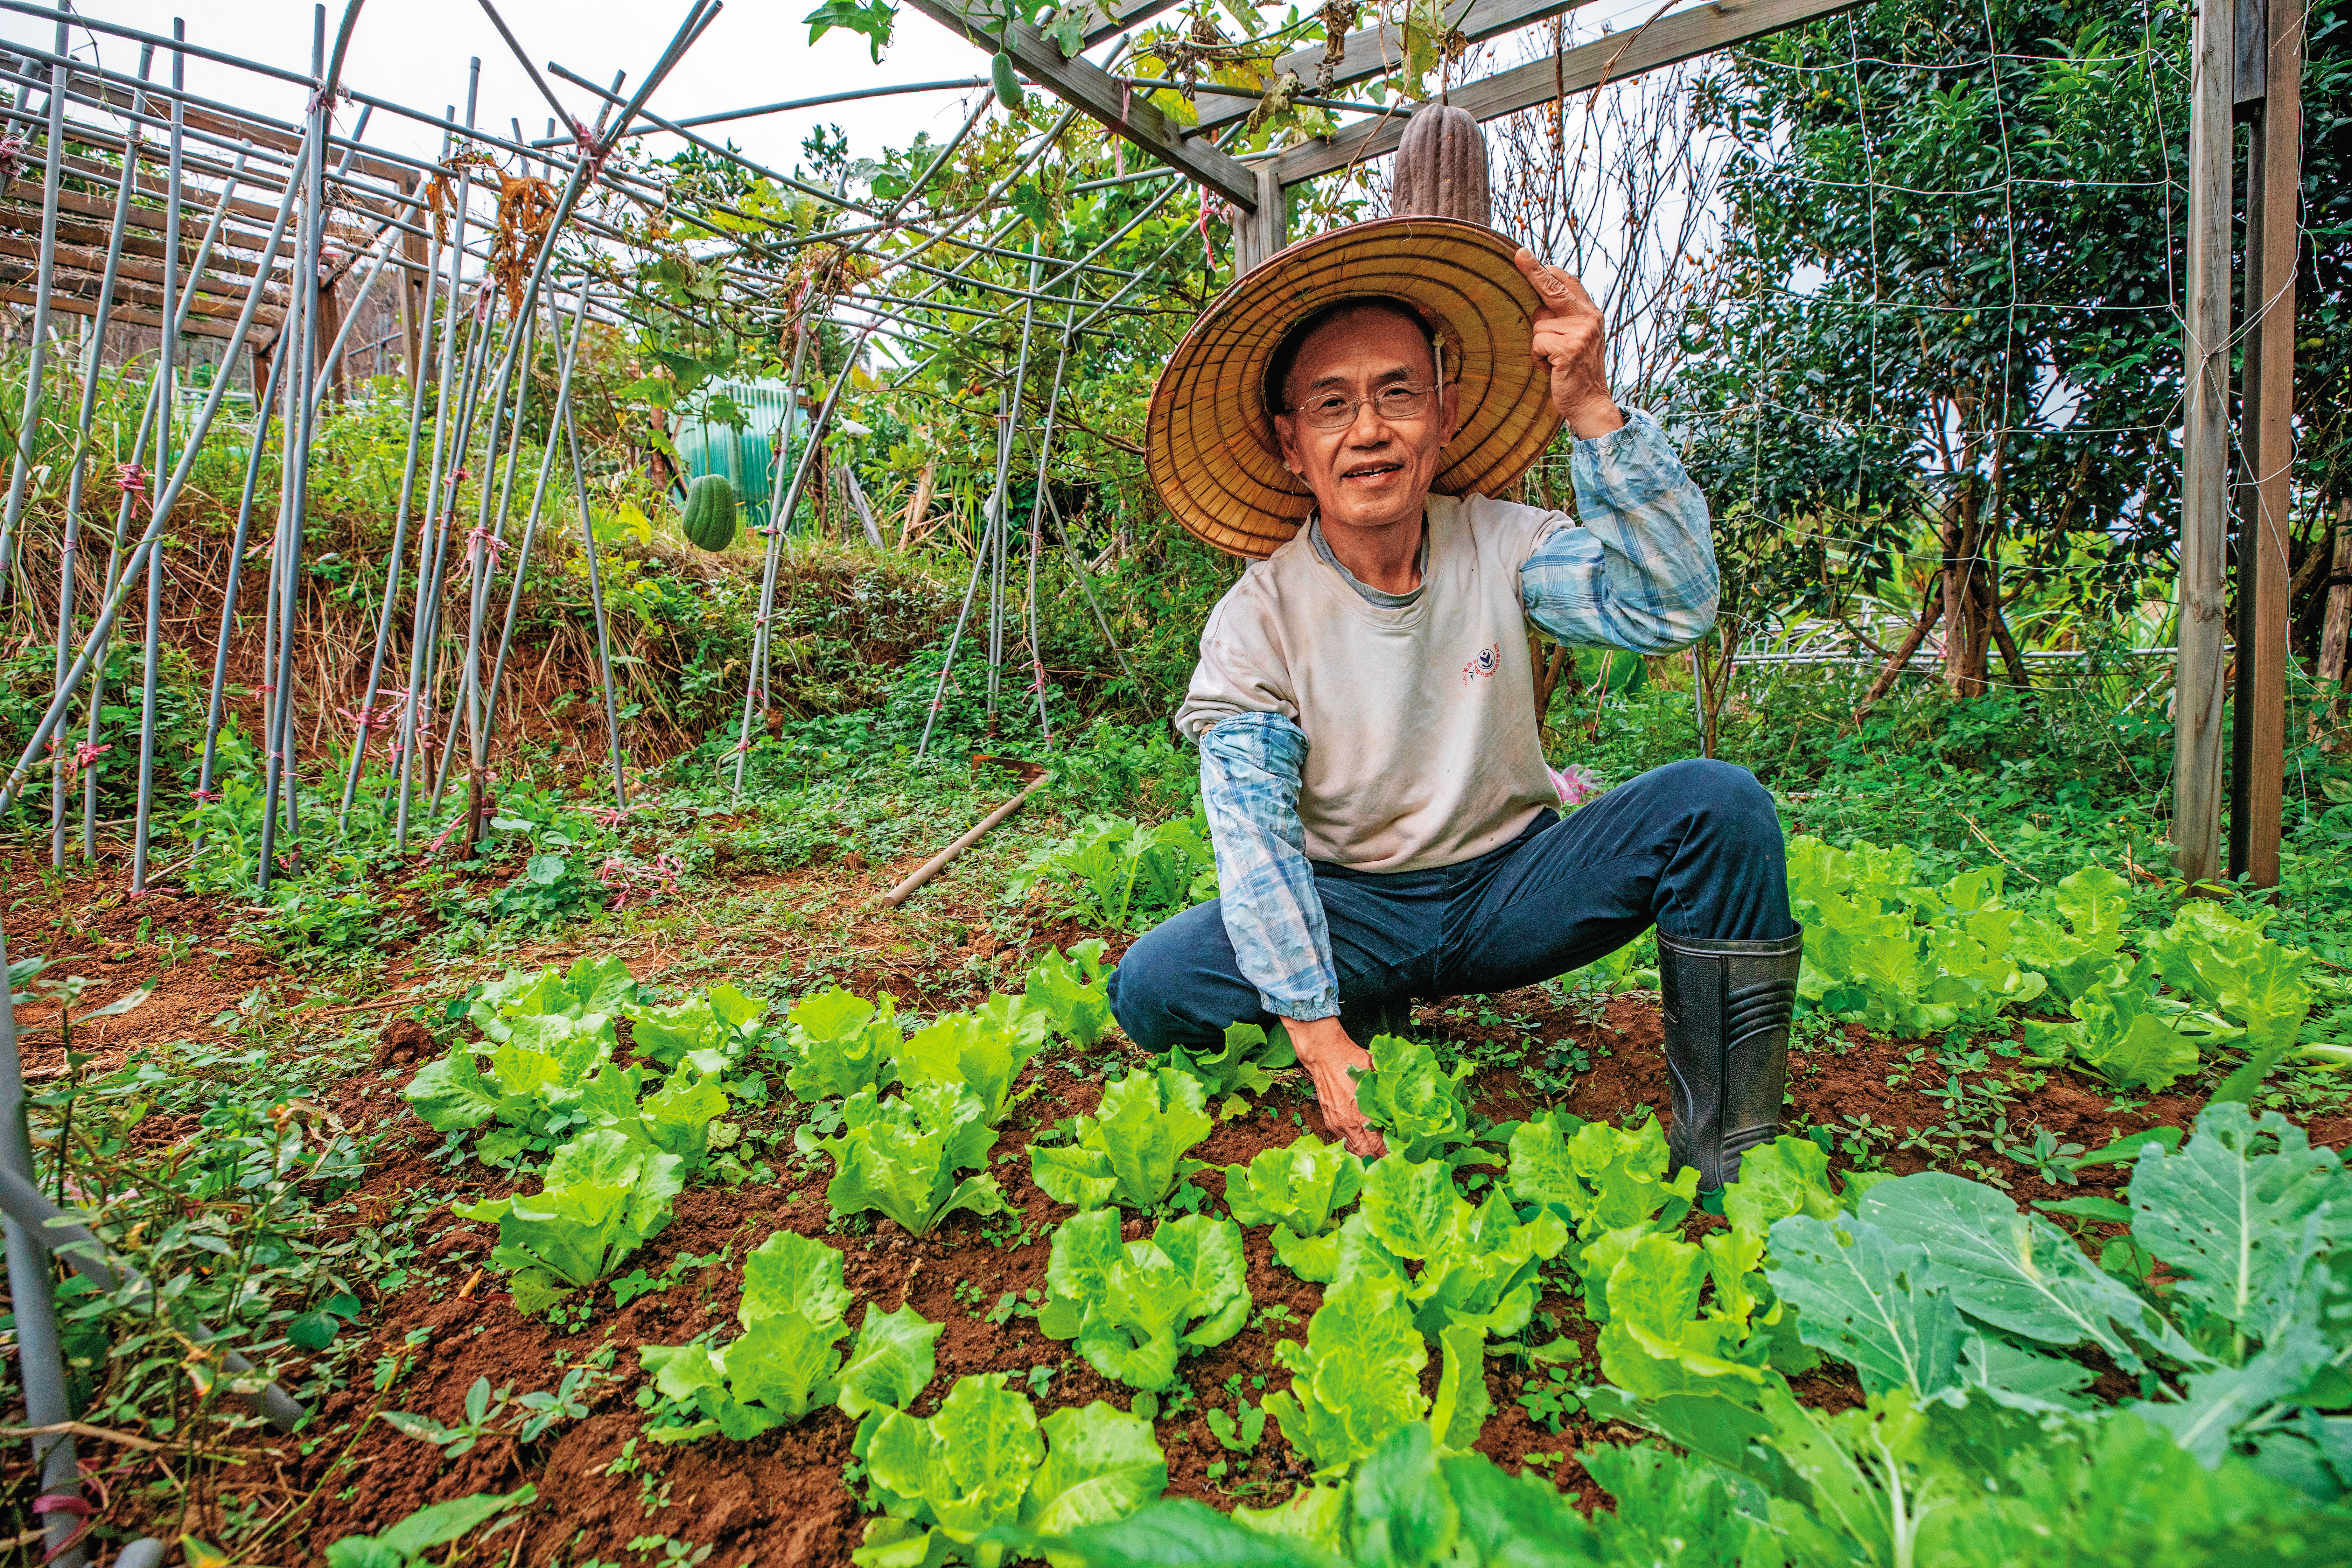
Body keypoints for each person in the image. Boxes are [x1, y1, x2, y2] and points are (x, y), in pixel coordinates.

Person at [1108, 214, 1801, 1189]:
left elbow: (1670, 605)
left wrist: (1594, 409)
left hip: (1508, 889)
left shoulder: (1502, 542)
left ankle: (1731, 1149)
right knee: (1153, 988)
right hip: (1352, 907)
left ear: (1446, 414)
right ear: (1290, 445)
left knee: (1720, 807)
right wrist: (1319, 1038)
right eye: (1331, 406)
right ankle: (1368, 1002)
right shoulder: (1257, 619)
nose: (1369, 431)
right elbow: (1256, 848)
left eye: (1399, 395)